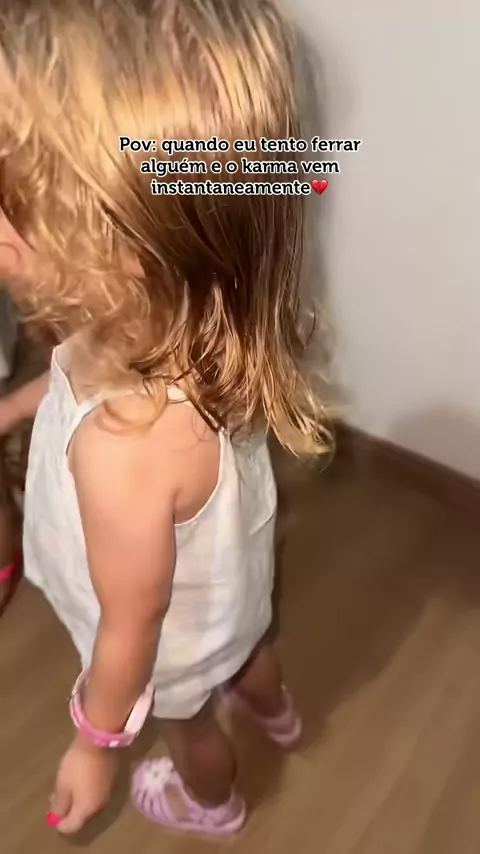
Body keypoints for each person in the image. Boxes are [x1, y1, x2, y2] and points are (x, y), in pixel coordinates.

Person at [0, 0, 333, 839]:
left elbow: (130, 625)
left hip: (171, 639)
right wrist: (13, 408)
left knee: (191, 727)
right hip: (227, 588)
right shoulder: (176, 318)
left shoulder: (124, 448)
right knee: (247, 650)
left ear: (107, 246)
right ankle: (277, 710)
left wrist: (95, 744)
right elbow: (70, 383)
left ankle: (211, 802)